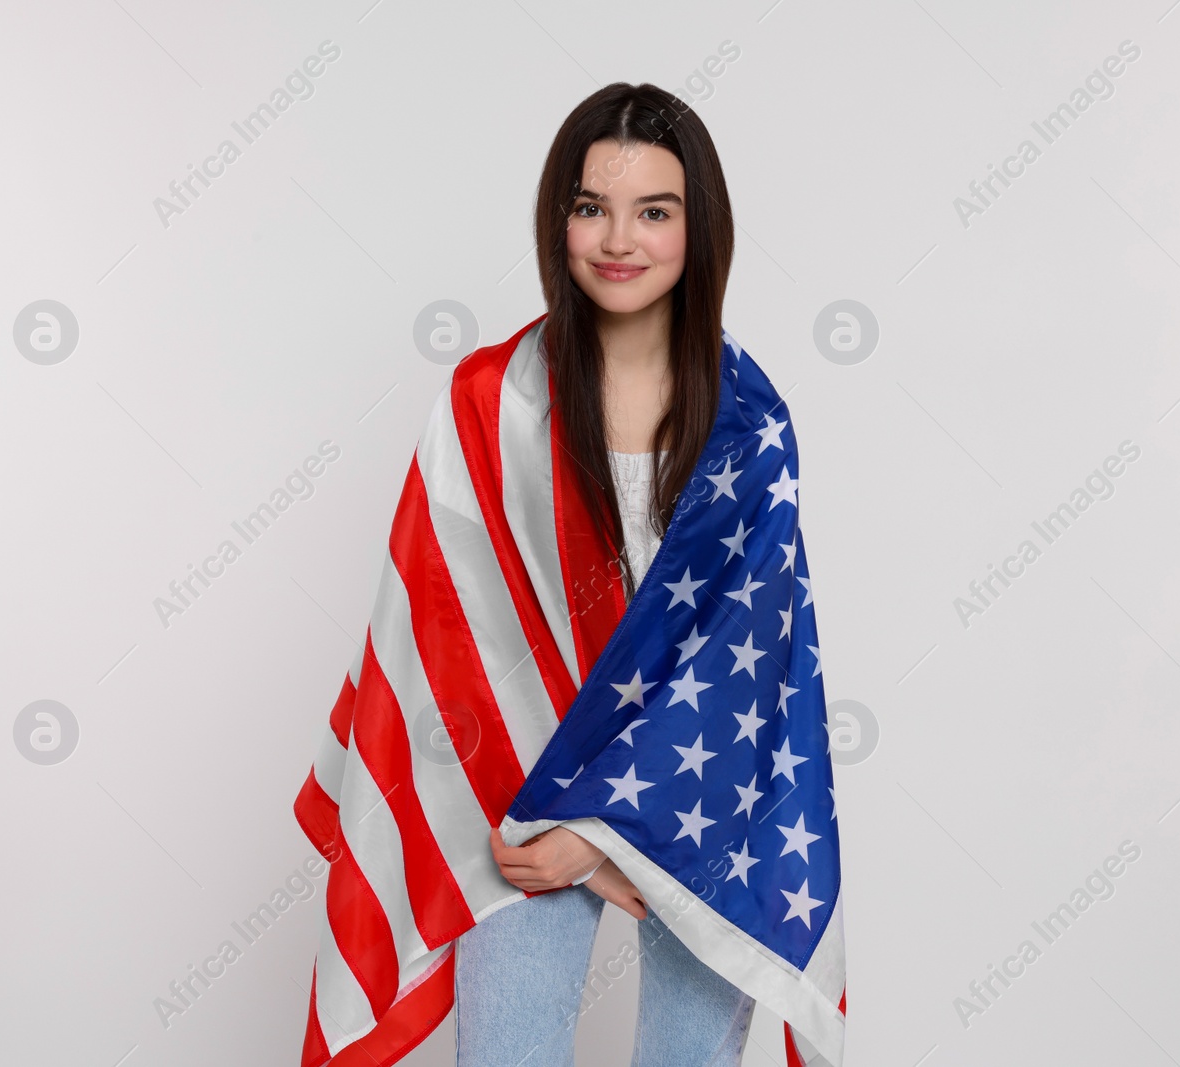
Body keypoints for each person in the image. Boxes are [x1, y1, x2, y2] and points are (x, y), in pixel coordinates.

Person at [451, 83, 757, 1066]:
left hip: (700, 804)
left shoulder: (748, 420)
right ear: (560, 217)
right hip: (528, 795)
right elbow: (454, 635)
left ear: (695, 227)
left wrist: (616, 831)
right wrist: (574, 835)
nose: (617, 238)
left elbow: (745, 665)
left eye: (653, 211)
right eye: (591, 206)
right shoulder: (490, 401)